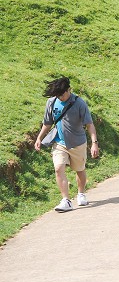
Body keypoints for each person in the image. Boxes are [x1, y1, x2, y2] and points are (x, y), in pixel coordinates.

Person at [34, 77, 99, 212]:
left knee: (79, 169)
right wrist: (39, 138)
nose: (60, 97)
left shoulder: (80, 103)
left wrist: (94, 143)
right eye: (58, 95)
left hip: (78, 142)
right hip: (59, 142)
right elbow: (47, 123)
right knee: (58, 168)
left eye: (62, 94)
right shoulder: (51, 103)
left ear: (69, 89)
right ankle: (66, 200)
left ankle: (81, 193)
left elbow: (89, 124)